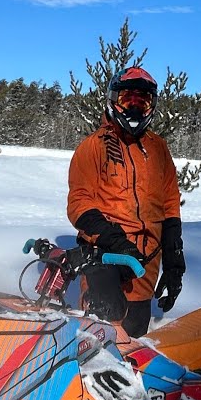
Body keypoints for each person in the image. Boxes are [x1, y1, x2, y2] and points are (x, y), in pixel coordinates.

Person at [67, 66, 185, 337]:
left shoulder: (158, 147)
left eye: (141, 101)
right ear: (114, 100)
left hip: (145, 268)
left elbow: (169, 204)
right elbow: (79, 203)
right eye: (127, 99)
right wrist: (114, 239)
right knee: (101, 342)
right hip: (105, 260)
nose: (134, 107)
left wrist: (175, 261)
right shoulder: (95, 146)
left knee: (135, 345)